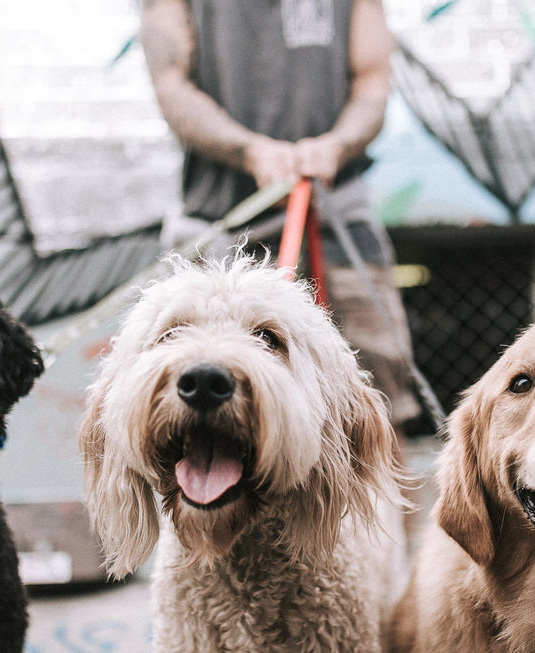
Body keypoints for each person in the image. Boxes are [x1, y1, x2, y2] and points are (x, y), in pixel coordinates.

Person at [140, 0, 422, 430]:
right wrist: (249, 150)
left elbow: (372, 84)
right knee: (201, 414)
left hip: (337, 219)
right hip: (219, 227)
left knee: (377, 410)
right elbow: (170, 85)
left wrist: (337, 144)